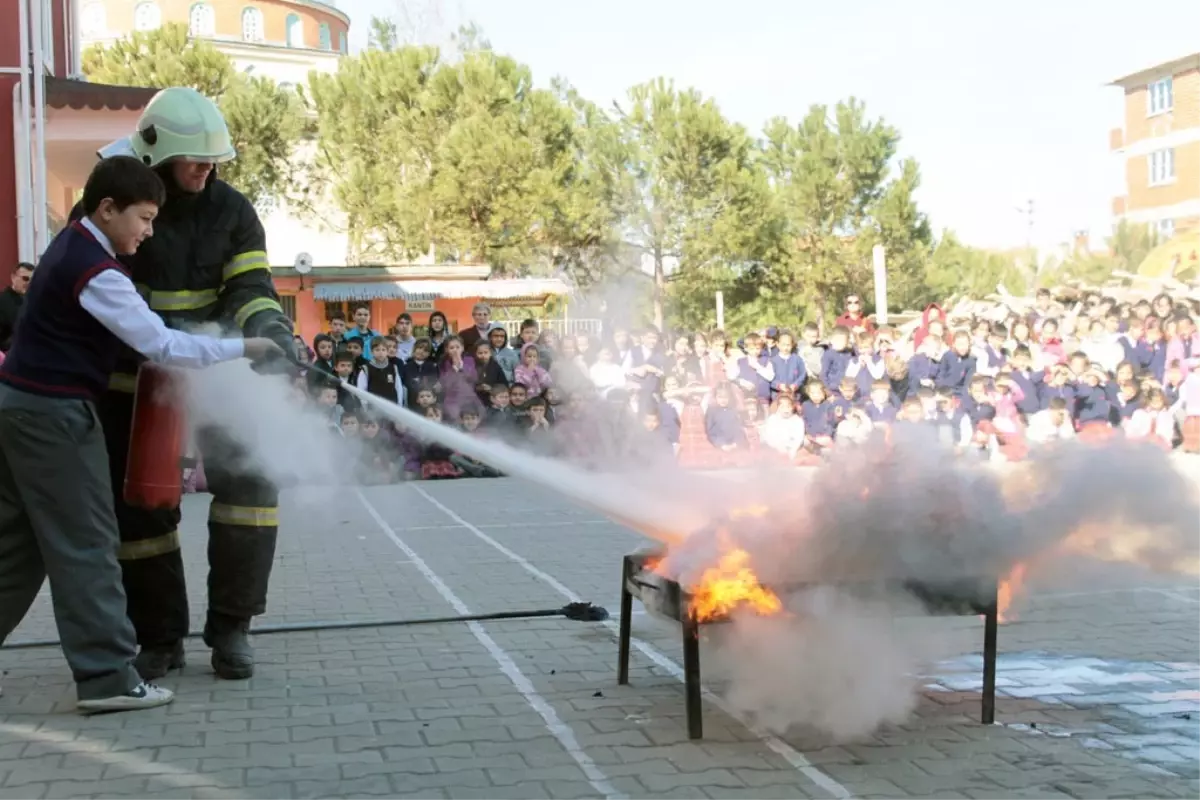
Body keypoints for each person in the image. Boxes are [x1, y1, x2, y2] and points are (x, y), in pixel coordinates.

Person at [0, 155, 282, 712]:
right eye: (145, 218)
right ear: (107, 209)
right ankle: (107, 676)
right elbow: (164, 345)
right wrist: (249, 347)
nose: (151, 231)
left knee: (18, 546)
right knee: (88, 543)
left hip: (19, 406)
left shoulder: (74, 244)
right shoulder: (97, 269)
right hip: (55, 415)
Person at [84, 87, 297, 681]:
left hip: (222, 372)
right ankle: (159, 638)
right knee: (143, 510)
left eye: (214, 160)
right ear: (155, 156)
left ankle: (232, 628)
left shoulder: (233, 211)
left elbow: (250, 287)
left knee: (252, 490)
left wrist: (271, 327)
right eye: (194, 159)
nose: (207, 169)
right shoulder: (114, 208)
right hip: (136, 380)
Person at [0, 262, 33, 353]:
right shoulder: (2, 301)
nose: (29, 283)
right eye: (25, 279)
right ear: (13, 277)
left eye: (32, 280)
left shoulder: (35, 300)